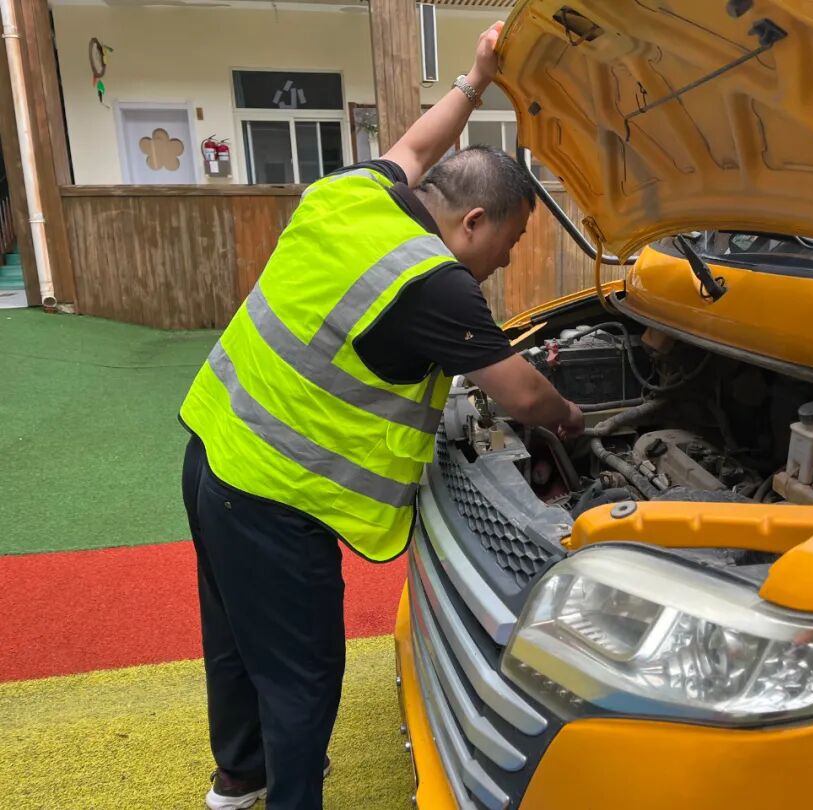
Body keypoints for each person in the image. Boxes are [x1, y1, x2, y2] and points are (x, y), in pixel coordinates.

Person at [178, 20, 584, 810]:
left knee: (233, 642)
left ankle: (237, 782)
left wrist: (475, 79)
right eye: (510, 239)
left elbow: (417, 147)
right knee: (302, 678)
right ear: (472, 223)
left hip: (212, 450)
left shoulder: (351, 193)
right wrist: (573, 418)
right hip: (276, 499)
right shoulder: (433, 283)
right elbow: (525, 398)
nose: (506, 259)